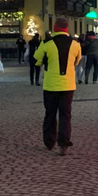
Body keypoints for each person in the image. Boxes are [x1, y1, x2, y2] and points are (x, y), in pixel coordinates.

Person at [33, 17, 81, 155]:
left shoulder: (46, 43)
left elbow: (36, 58)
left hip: (51, 86)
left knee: (50, 114)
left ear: (54, 28)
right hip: (68, 85)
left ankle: (49, 142)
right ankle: (64, 143)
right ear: (67, 29)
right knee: (66, 115)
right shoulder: (75, 44)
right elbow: (77, 61)